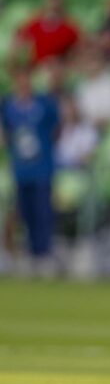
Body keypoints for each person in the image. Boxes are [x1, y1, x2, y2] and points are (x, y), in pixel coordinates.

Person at [0, 64, 60, 271]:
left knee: (42, 212)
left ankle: (44, 255)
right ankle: (29, 254)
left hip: (42, 168)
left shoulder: (43, 104)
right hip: (21, 169)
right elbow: (7, 133)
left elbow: (56, 128)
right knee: (24, 213)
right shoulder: (9, 105)